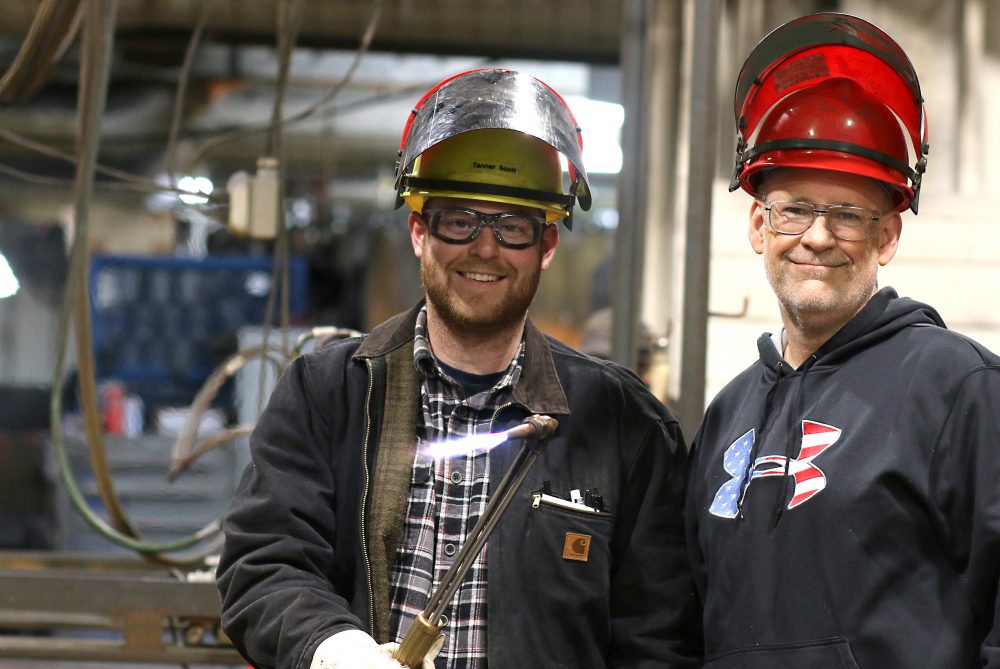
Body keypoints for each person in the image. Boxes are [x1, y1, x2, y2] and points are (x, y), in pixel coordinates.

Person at [217, 68, 702, 669]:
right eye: (458, 220)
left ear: (547, 247)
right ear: (419, 231)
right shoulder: (329, 392)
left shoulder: (625, 425)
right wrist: (334, 650)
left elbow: (659, 638)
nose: (485, 248)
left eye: (514, 225)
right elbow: (265, 563)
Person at [684, 13, 1000, 668]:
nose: (818, 236)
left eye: (848, 215)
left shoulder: (961, 389)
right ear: (758, 225)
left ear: (887, 236)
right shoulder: (727, 416)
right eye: (795, 208)